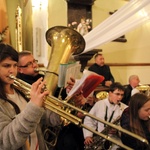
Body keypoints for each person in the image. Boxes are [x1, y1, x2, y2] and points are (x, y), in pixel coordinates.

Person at [0, 43, 61, 150]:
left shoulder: (21, 90)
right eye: (6, 66)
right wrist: (34, 106)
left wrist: (66, 110)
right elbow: (6, 140)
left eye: (14, 65)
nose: (12, 70)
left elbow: (44, 118)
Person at [83, 82, 128, 150]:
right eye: (117, 94)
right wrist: (88, 136)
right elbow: (89, 120)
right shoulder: (99, 104)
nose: (120, 97)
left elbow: (127, 128)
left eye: (122, 95)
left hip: (115, 141)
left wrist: (118, 130)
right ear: (110, 93)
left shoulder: (125, 108)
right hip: (100, 139)